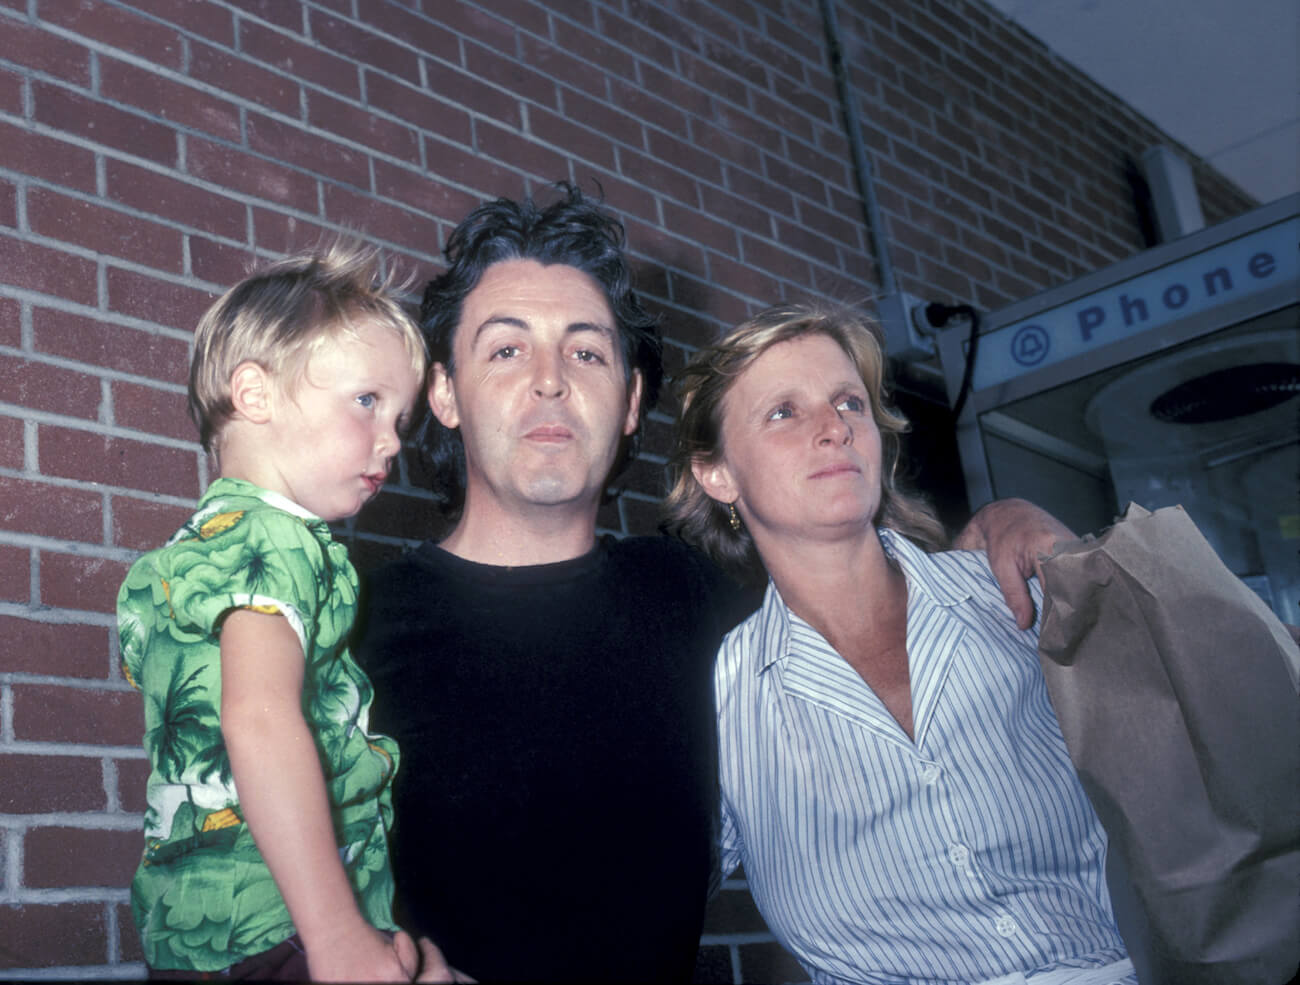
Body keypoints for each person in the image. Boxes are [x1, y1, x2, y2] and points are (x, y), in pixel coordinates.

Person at [355, 183, 1072, 983]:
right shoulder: (355, 625)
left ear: (630, 402)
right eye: (507, 348)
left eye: (586, 350)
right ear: (445, 393)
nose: (551, 379)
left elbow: (859, 581)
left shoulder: (701, 601)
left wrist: (1000, 522)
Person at [662, 301, 1134, 985]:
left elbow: (1206, 710)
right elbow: (636, 900)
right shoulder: (719, 697)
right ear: (717, 474)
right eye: (783, 412)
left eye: (849, 402)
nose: (834, 428)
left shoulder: (1006, 592)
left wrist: (1081, 568)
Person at [116, 243, 452, 981]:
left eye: (399, 417)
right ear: (256, 394)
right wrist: (335, 933)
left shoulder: (191, 552)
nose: (392, 439)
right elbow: (260, 717)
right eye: (367, 400)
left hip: (197, 927)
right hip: (284, 926)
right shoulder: (277, 539)